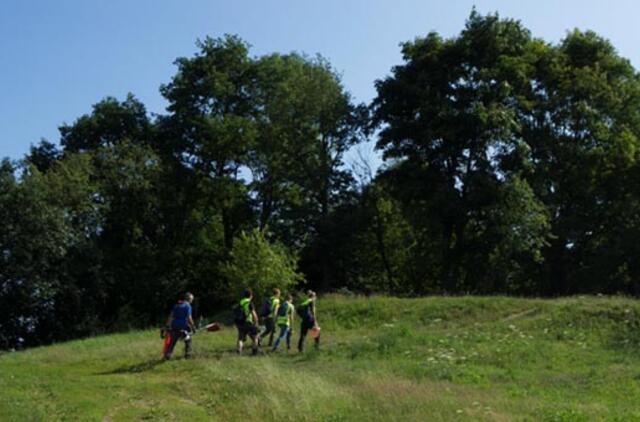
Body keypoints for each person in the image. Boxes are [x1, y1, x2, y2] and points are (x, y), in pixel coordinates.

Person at [164, 292, 196, 360]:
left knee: (172, 342)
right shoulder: (188, 306)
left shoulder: (176, 305)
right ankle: (188, 355)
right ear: (189, 299)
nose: (192, 301)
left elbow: (171, 316)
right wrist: (193, 327)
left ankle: (167, 354)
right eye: (191, 299)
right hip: (183, 326)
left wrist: (167, 326)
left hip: (174, 326)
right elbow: (189, 318)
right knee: (188, 340)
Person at [236, 288, 259, 356]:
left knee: (240, 338)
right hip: (248, 322)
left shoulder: (241, 302)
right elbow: (254, 315)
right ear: (251, 295)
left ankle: (239, 352)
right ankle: (254, 352)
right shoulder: (249, 303)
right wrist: (256, 323)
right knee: (255, 337)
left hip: (240, 322)